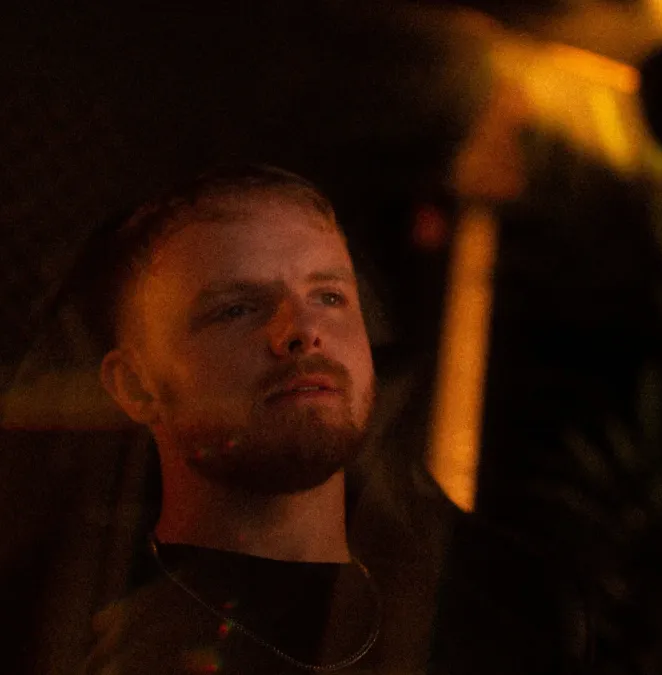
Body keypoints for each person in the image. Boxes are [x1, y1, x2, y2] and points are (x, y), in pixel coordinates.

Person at [78, 164, 589, 674]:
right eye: (236, 309)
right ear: (136, 386)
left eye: (329, 297)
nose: (303, 329)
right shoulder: (96, 631)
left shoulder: (496, 608)